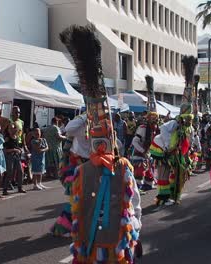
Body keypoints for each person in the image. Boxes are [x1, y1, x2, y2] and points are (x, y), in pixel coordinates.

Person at [60, 25, 141, 262]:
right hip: (90, 242)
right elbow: (77, 207)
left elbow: (134, 202)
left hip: (116, 240)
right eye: (95, 137)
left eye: (103, 137)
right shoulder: (82, 171)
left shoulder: (123, 166)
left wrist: (134, 230)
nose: (100, 143)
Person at [3, 122, 27, 195]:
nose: (13, 129)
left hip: (17, 156)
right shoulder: (7, 138)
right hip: (10, 156)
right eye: (11, 128)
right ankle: (5, 189)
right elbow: (5, 150)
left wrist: (19, 149)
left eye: (14, 128)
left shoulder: (16, 137)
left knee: (20, 171)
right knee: (9, 172)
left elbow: (17, 146)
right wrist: (14, 150)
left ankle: (20, 187)